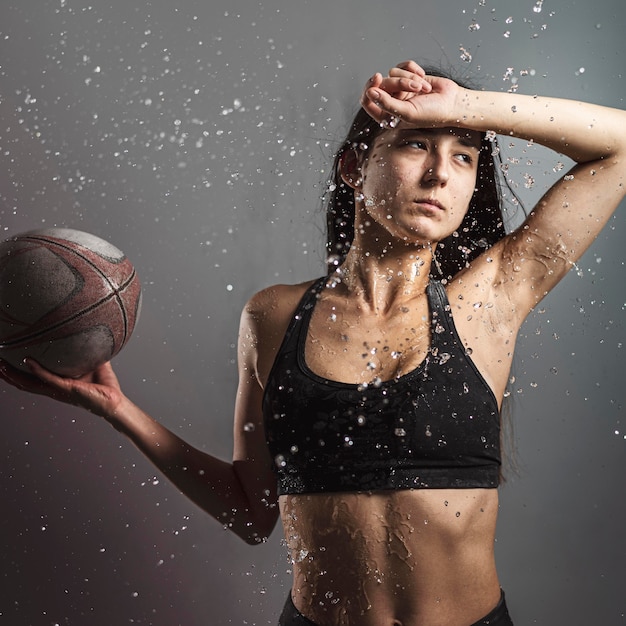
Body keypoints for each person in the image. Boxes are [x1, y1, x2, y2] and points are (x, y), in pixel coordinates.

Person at [1, 59, 625, 626]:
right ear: (355, 166)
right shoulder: (273, 318)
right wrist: (119, 412)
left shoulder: (488, 303)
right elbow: (252, 512)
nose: (440, 172)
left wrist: (460, 106)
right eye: (415, 143)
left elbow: (619, 146)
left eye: (464, 156)